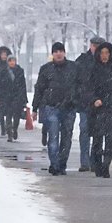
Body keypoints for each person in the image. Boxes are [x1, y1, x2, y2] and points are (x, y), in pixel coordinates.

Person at [32, 42, 77, 175]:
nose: (58, 53)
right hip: (51, 107)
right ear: (52, 54)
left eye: (60, 51)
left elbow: (79, 85)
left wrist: (75, 100)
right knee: (53, 137)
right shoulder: (46, 69)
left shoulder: (73, 68)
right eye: (56, 51)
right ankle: (54, 164)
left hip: (69, 108)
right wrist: (35, 108)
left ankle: (62, 164)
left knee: (66, 137)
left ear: (64, 52)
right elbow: (39, 88)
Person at [83, 41, 112, 177]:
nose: (104, 56)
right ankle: (96, 164)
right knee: (97, 140)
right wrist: (94, 99)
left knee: (109, 139)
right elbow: (87, 88)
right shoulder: (93, 69)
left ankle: (106, 165)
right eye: (102, 53)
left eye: (107, 53)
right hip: (97, 110)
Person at [72, 35, 102, 172]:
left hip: (100, 103)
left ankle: (95, 160)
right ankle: (85, 162)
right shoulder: (82, 60)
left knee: (97, 133)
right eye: (94, 45)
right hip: (85, 103)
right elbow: (75, 80)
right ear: (90, 45)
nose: (96, 48)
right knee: (84, 131)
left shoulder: (105, 61)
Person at [0, 55, 28, 141]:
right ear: (8, 62)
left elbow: (23, 85)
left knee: (16, 116)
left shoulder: (20, 71)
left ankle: (15, 129)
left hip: (17, 97)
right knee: (8, 115)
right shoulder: (3, 71)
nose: (12, 62)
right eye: (10, 61)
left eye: (13, 60)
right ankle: (9, 132)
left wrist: (24, 98)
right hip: (7, 97)